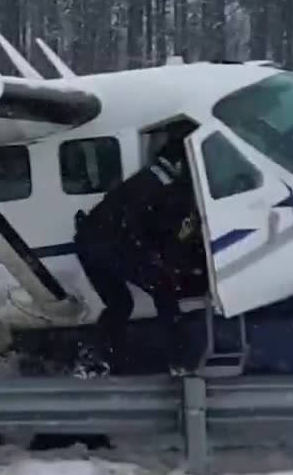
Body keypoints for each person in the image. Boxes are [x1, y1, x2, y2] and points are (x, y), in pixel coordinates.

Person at [73, 122, 202, 375]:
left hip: (90, 241)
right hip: (113, 243)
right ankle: (180, 361)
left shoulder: (151, 177)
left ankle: (94, 359)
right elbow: (157, 232)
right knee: (163, 291)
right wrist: (164, 263)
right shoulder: (169, 190)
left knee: (120, 304)